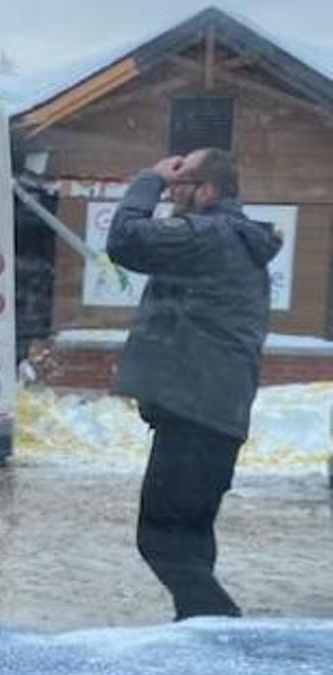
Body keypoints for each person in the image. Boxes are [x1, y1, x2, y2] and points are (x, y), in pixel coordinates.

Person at [106, 148, 281, 621]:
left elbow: (125, 241)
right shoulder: (233, 239)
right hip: (214, 413)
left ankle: (224, 631)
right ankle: (202, 636)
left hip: (194, 411)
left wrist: (149, 179)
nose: (171, 193)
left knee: (160, 539)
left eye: (180, 184)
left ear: (207, 191)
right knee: (190, 543)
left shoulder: (209, 234)